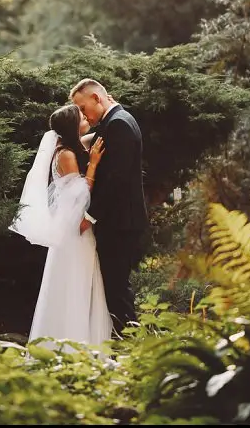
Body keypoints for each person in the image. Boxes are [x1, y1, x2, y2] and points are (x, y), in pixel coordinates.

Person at [9, 104, 113, 349]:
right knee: (75, 281)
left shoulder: (70, 146)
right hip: (74, 232)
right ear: (72, 124)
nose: (85, 116)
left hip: (71, 229)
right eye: (80, 115)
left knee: (81, 279)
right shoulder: (65, 154)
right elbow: (80, 195)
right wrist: (94, 164)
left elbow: (96, 137)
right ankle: (72, 344)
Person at [69, 78, 147, 337]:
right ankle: (125, 342)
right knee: (114, 286)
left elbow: (116, 179)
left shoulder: (119, 125)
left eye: (83, 108)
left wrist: (90, 216)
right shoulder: (115, 121)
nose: (83, 115)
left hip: (120, 223)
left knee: (116, 288)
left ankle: (131, 345)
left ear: (96, 99)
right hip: (120, 222)